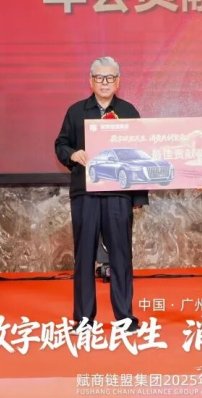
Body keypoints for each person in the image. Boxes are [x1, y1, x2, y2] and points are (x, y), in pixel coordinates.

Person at [54, 57, 147, 334]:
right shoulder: (76, 111)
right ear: (90, 81)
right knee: (84, 256)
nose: (104, 83)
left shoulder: (128, 111)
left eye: (110, 78)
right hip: (86, 193)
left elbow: (140, 153)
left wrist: (138, 197)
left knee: (121, 256)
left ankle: (125, 317)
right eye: (99, 77)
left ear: (118, 82)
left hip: (119, 194)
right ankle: (84, 319)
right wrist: (73, 154)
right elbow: (61, 144)